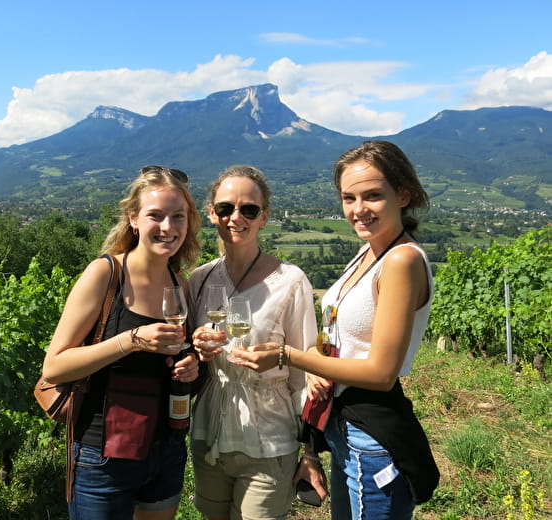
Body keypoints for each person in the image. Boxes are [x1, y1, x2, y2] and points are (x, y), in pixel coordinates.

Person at [235, 141, 440, 520]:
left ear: (403, 194)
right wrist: (314, 362)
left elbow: (380, 373)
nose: (358, 210)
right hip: (344, 424)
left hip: (371, 433)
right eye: (349, 198)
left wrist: (289, 356)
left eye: (373, 196)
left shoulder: (402, 261)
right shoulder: (369, 251)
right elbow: (335, 342)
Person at [42, 165, 202, 520]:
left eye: (178, 217)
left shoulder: (181, 284)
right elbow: (54, 366)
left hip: (166, 448)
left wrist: (191, 366)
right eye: (155, 216)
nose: (168, 227)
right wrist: (130, 340)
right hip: (104, 455)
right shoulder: (105, 274)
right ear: (133, 219)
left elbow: (175, 360)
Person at [189, 165, 327, 520]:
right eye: (225, 208)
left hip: (268, 439)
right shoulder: (199, 280)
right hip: (209, 433)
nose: (235, 217)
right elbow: (185, 357)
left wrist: (310, 452)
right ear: (211, 214)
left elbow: (306, 371)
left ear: (264, 217)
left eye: (248, 209)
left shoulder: (291, 282)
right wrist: (196, 348)